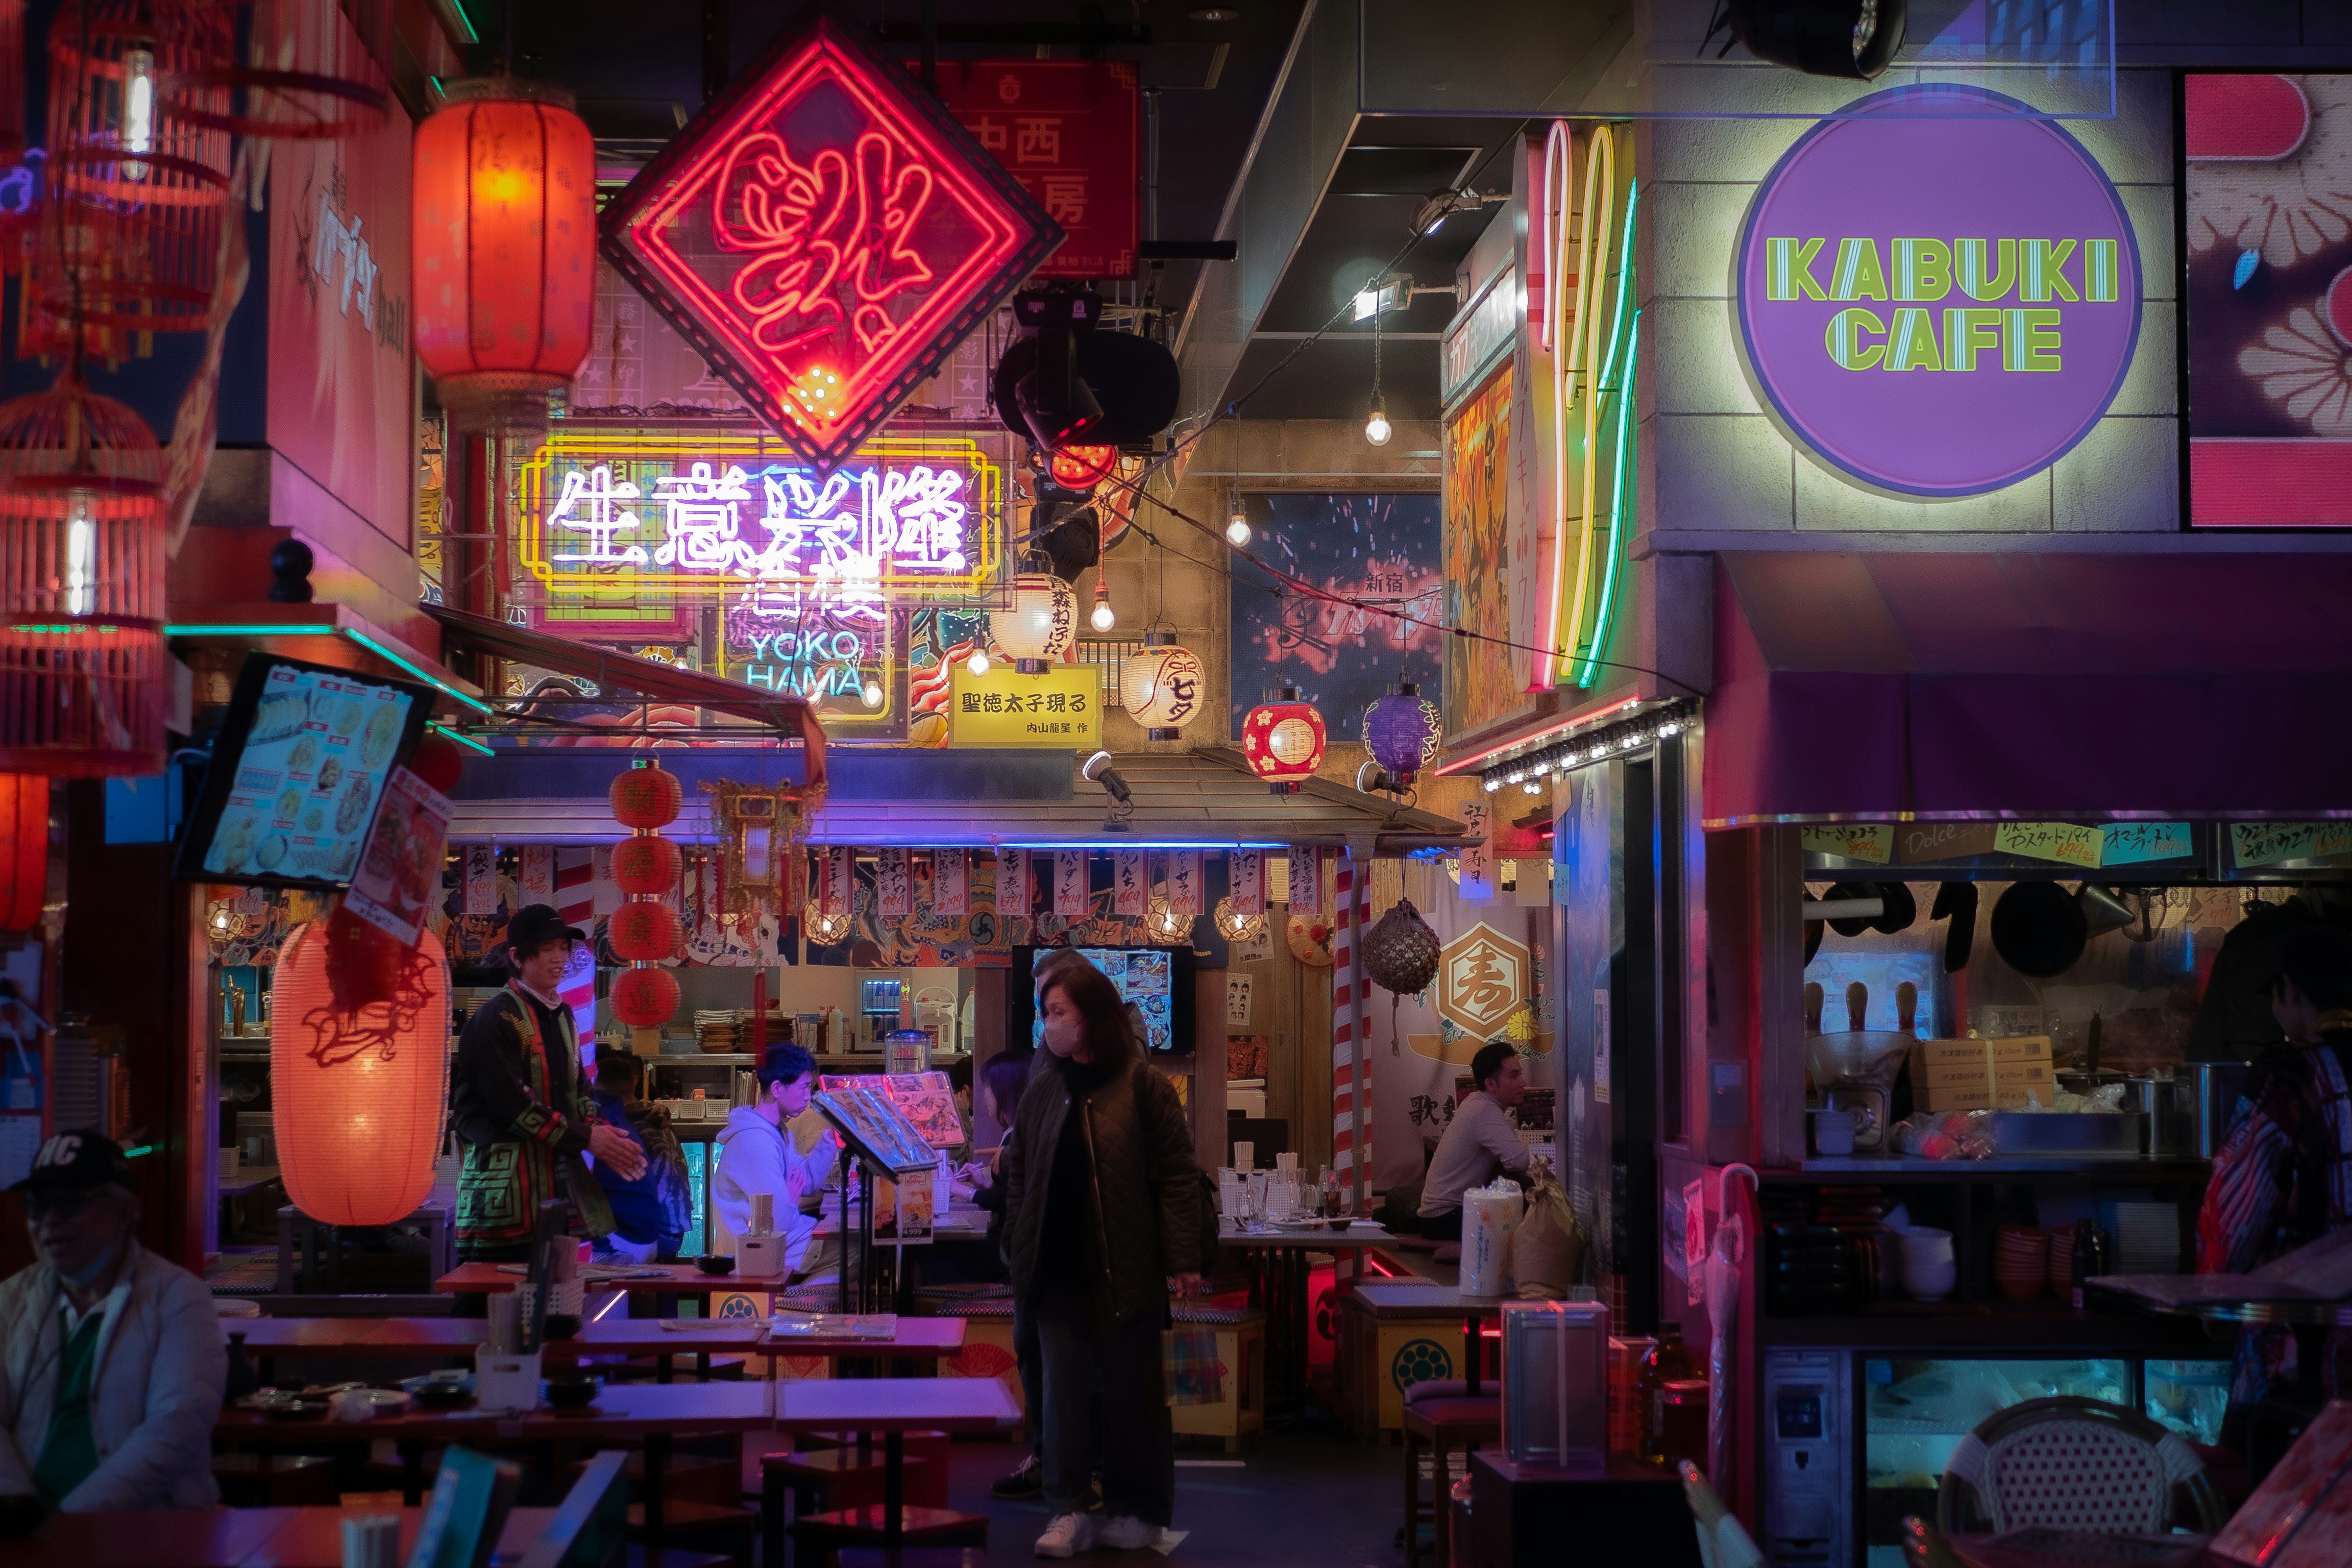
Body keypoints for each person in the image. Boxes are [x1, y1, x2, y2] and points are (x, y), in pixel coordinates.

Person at [1002, 962, 1202, 1557]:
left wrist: (1183, 1258)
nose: (1049, 1025)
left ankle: (1137, 1511)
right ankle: (1067, 1511)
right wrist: (1015, 1241)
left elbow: (1177, 1179)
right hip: (1054, 1270)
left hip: (1127, 1271)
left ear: (1091, 1016)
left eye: (1058, 1012)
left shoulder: (1145, 1087)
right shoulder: (1044, 1089)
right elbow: (1019, 1173)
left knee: (1131, 1398)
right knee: (1060, 1400)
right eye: (1046, 1013)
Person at [0, 1130, 226, 1512]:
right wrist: (18, 1508)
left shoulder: (178, 1297)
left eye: (70, 1203)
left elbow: (176, 1428)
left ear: (126, 1212)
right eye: (38, 1207)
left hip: (149, 1534)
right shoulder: (9, 1299)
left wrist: (72, 1523)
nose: (50, 1221)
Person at [2197, 924, 2352, 1407]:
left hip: (2307, 1348)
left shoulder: (2288, 1071)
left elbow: (2238, 1204)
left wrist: (2213, 1298)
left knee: (2303, 1478)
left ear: (2289, 989)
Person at [452, 905, 645, 1265]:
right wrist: (587, 1138)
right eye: (546, 949)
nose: (559, 958)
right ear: (516, 956)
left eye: (563, 948)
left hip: (554, 1189)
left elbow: (579, 1088)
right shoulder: (496, 1018)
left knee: (555, 1302)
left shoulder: (563, 1015)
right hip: (504, 1193)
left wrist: (597, 1129)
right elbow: (512, 1107)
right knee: (490, 1307)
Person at [966, 1049, 1046, 1499]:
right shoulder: (1020, 1136)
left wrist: (975, 1190)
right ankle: (1050, 1461)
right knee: (1035, 1358)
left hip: (1033, 1266)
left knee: (1039, 1359)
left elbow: (1009, 1201)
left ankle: (1055, 1465)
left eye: (989, 1089)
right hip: (1025, 1261)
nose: (985, 1098)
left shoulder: (1025, 1136)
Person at [713, 1041, 839, 1275]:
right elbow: (776, 1222)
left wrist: (831, 1140)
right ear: (778, 1088)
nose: (808, 1097)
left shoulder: (778, 1131)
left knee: (855, 1245)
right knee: (856, 1252)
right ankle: (791, 1304)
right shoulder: (755, 1142)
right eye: (803, 1088)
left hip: (788, 1238)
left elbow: (807, 1183)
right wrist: (789, 1199)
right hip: (760, 1253)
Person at [1416, 1041, 1532, 1243]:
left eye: (1521, 1074)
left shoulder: (1475, 1103)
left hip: (1438, 1215)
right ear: (1490, 1084)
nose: (1523, 1083)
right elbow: (1519, 1162)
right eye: (1514, 1076)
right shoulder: (1485, 1111)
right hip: (1447, 1217)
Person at [589, 1051, 692, 1267]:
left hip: (658, 1233)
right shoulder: (652, 1118)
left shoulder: (618, 1128)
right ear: (633, 1084)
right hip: (674, 1228)